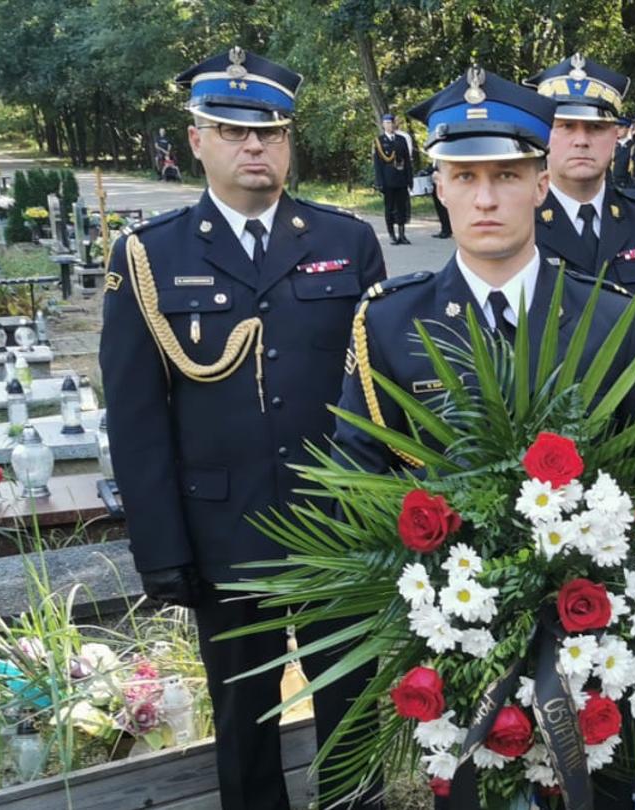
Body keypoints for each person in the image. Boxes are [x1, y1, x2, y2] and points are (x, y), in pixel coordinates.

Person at [340, 69, 635, 805]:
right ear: (439, 187)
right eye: (465, 176)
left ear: (541, 184)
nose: (485, 198)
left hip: (593, 629)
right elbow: (359, 477)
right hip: (456, 637)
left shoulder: (609, 316)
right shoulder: (391, 323)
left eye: (507, 176)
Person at [100, 47, 389, 810]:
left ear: (289, 141)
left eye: (270, 132)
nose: (254, 146)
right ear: (196, 140)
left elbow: (381, 394)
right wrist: (161, 549)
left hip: (339, 526)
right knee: (244, 718)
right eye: (232, 131)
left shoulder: (345, 242)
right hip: (224, 532)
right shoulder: (149, 256)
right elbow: (136, 417)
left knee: (353, 706)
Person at [525, 53, 635, 400]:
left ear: (615, 134)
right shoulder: (518, 225)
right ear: (544, 134)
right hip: (548, 425)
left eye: (595, 127)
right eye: (566, 126)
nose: (581, 140)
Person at [374, 112, 416, 244]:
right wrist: (379, 182)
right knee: (390, 208)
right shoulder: (379, 141)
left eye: (391, 123)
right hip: (388, 179)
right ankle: (392, 234)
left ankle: (402, 235)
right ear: (383, 125)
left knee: (401, 207)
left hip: (401, 178)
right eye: (387, 123)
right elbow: (377, 164)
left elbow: (407, 161)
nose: (389, 125)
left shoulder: (401, 139)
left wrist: (409, 179)